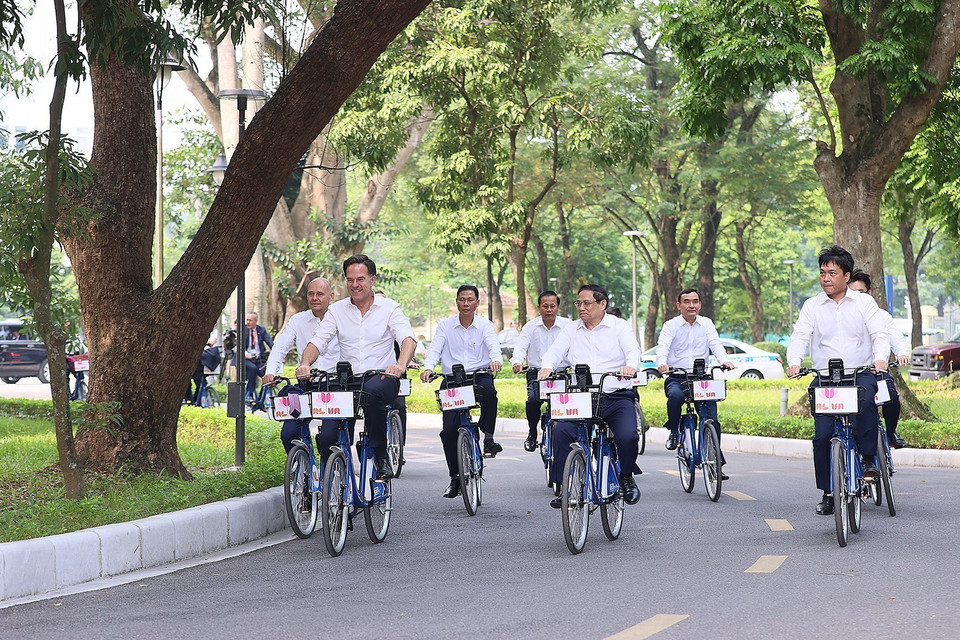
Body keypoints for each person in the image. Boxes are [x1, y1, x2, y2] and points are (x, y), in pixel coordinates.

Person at [786, 245, 890, 516]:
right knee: (822, 437)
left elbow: (879, 334)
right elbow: (799, 336)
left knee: (867, 402)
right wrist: (794, 361)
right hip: (825, 379)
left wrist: (880, 358)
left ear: (846, 275)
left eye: (832, 273)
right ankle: (828, 492)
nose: (826, 278)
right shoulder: (812, 305)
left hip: (860, 373)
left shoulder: (864, 302)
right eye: (822, 273)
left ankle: (868, 460)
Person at [296, 255, 417, 479]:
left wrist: (400, 365)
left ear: (372, 279)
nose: (355, 285)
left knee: (372, 393)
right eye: (350, 280)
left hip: (382, 378)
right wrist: (305, 363)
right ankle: (338, 486)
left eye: (360, 279)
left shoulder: (390, 308)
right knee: (330, 436)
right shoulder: (337, 311)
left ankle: (380, 455)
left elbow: (408, 339)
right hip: (346, 381)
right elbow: (318, 341)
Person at [538, 284, 642, 507]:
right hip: (581, 398)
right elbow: (554, 352)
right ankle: (564, 487)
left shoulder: (619, 326)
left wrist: (630, 366)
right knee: (561, 431)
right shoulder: (571, 329)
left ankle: (626, 477)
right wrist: (547, 367)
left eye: (587, 303)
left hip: (615, 395)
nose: (581, 308)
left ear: (602, 304)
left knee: (628, 436)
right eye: (578, 303)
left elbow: (633, 351)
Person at [421, 285, 503, 498]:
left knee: (490, 393)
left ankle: (488, 437)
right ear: (456, 302)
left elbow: (494, 346)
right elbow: (435, 349)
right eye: (462, 300)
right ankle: (455, 477)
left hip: (479, 375)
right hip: (452, 380)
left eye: (470, 300)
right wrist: (429, 368)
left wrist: (496, 360)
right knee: (448, 431)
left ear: (477, 302)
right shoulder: (445, 326)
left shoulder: (485, 325)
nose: (466, 304)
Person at [656, 288, 734, 479]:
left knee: (711, 420)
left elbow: (715, 344)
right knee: (675, 397)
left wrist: (724, 360)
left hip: (702, 378)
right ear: (679, 305)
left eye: (695, 301)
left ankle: (715, 463)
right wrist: (661, 363)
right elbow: (663, 346)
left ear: (700, 304)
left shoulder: (706, 323)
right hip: (677, 377)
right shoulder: (670, 325)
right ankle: (674, 431)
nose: (691, 305)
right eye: (687, 301)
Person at [264, 277, 340, 453]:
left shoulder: (341, 319)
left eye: (320, 294)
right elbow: (281, 346)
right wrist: (270, 372)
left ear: (331, 296)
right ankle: (302, 471)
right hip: (306, 385)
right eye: (311, 294)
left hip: (335, 387)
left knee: (330, 437)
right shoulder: (298, 320)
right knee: (288, 434)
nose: (315, 298)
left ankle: (330, 474)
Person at [847, 270, 910, 448]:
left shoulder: (881, 315)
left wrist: (901, 353)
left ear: (869, 293)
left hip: (876, 371)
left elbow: (894, 336)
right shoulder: (844, 315)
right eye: (852, 293)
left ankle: (890, 433)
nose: (856, 297)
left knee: (890, 394)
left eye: (860, 292)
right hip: (852, 373)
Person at [511, 290, 571, 452]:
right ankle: (532, 432)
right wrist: (517, 362)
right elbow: (520, 347)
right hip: (536, 372)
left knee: (567, 403)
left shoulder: (568, 326)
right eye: (545, 306)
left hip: (561, 372)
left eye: (553, 306)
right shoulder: (530, 327)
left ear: (558, 307)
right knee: (533, 401)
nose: (549, 309)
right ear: (539, 307)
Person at [241, 311, 273, 401]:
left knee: (266, 376)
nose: (248, 322)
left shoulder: (261, 330)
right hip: (245, 358)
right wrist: (244, 353)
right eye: (247, 320)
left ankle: (261, 399)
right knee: (253, 369)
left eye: (250, 320)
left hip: (258, 358)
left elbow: (269, 342)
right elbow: (239, 345)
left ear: (255, 321)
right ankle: (250, 394)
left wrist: (276, 351)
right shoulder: (243, 330)